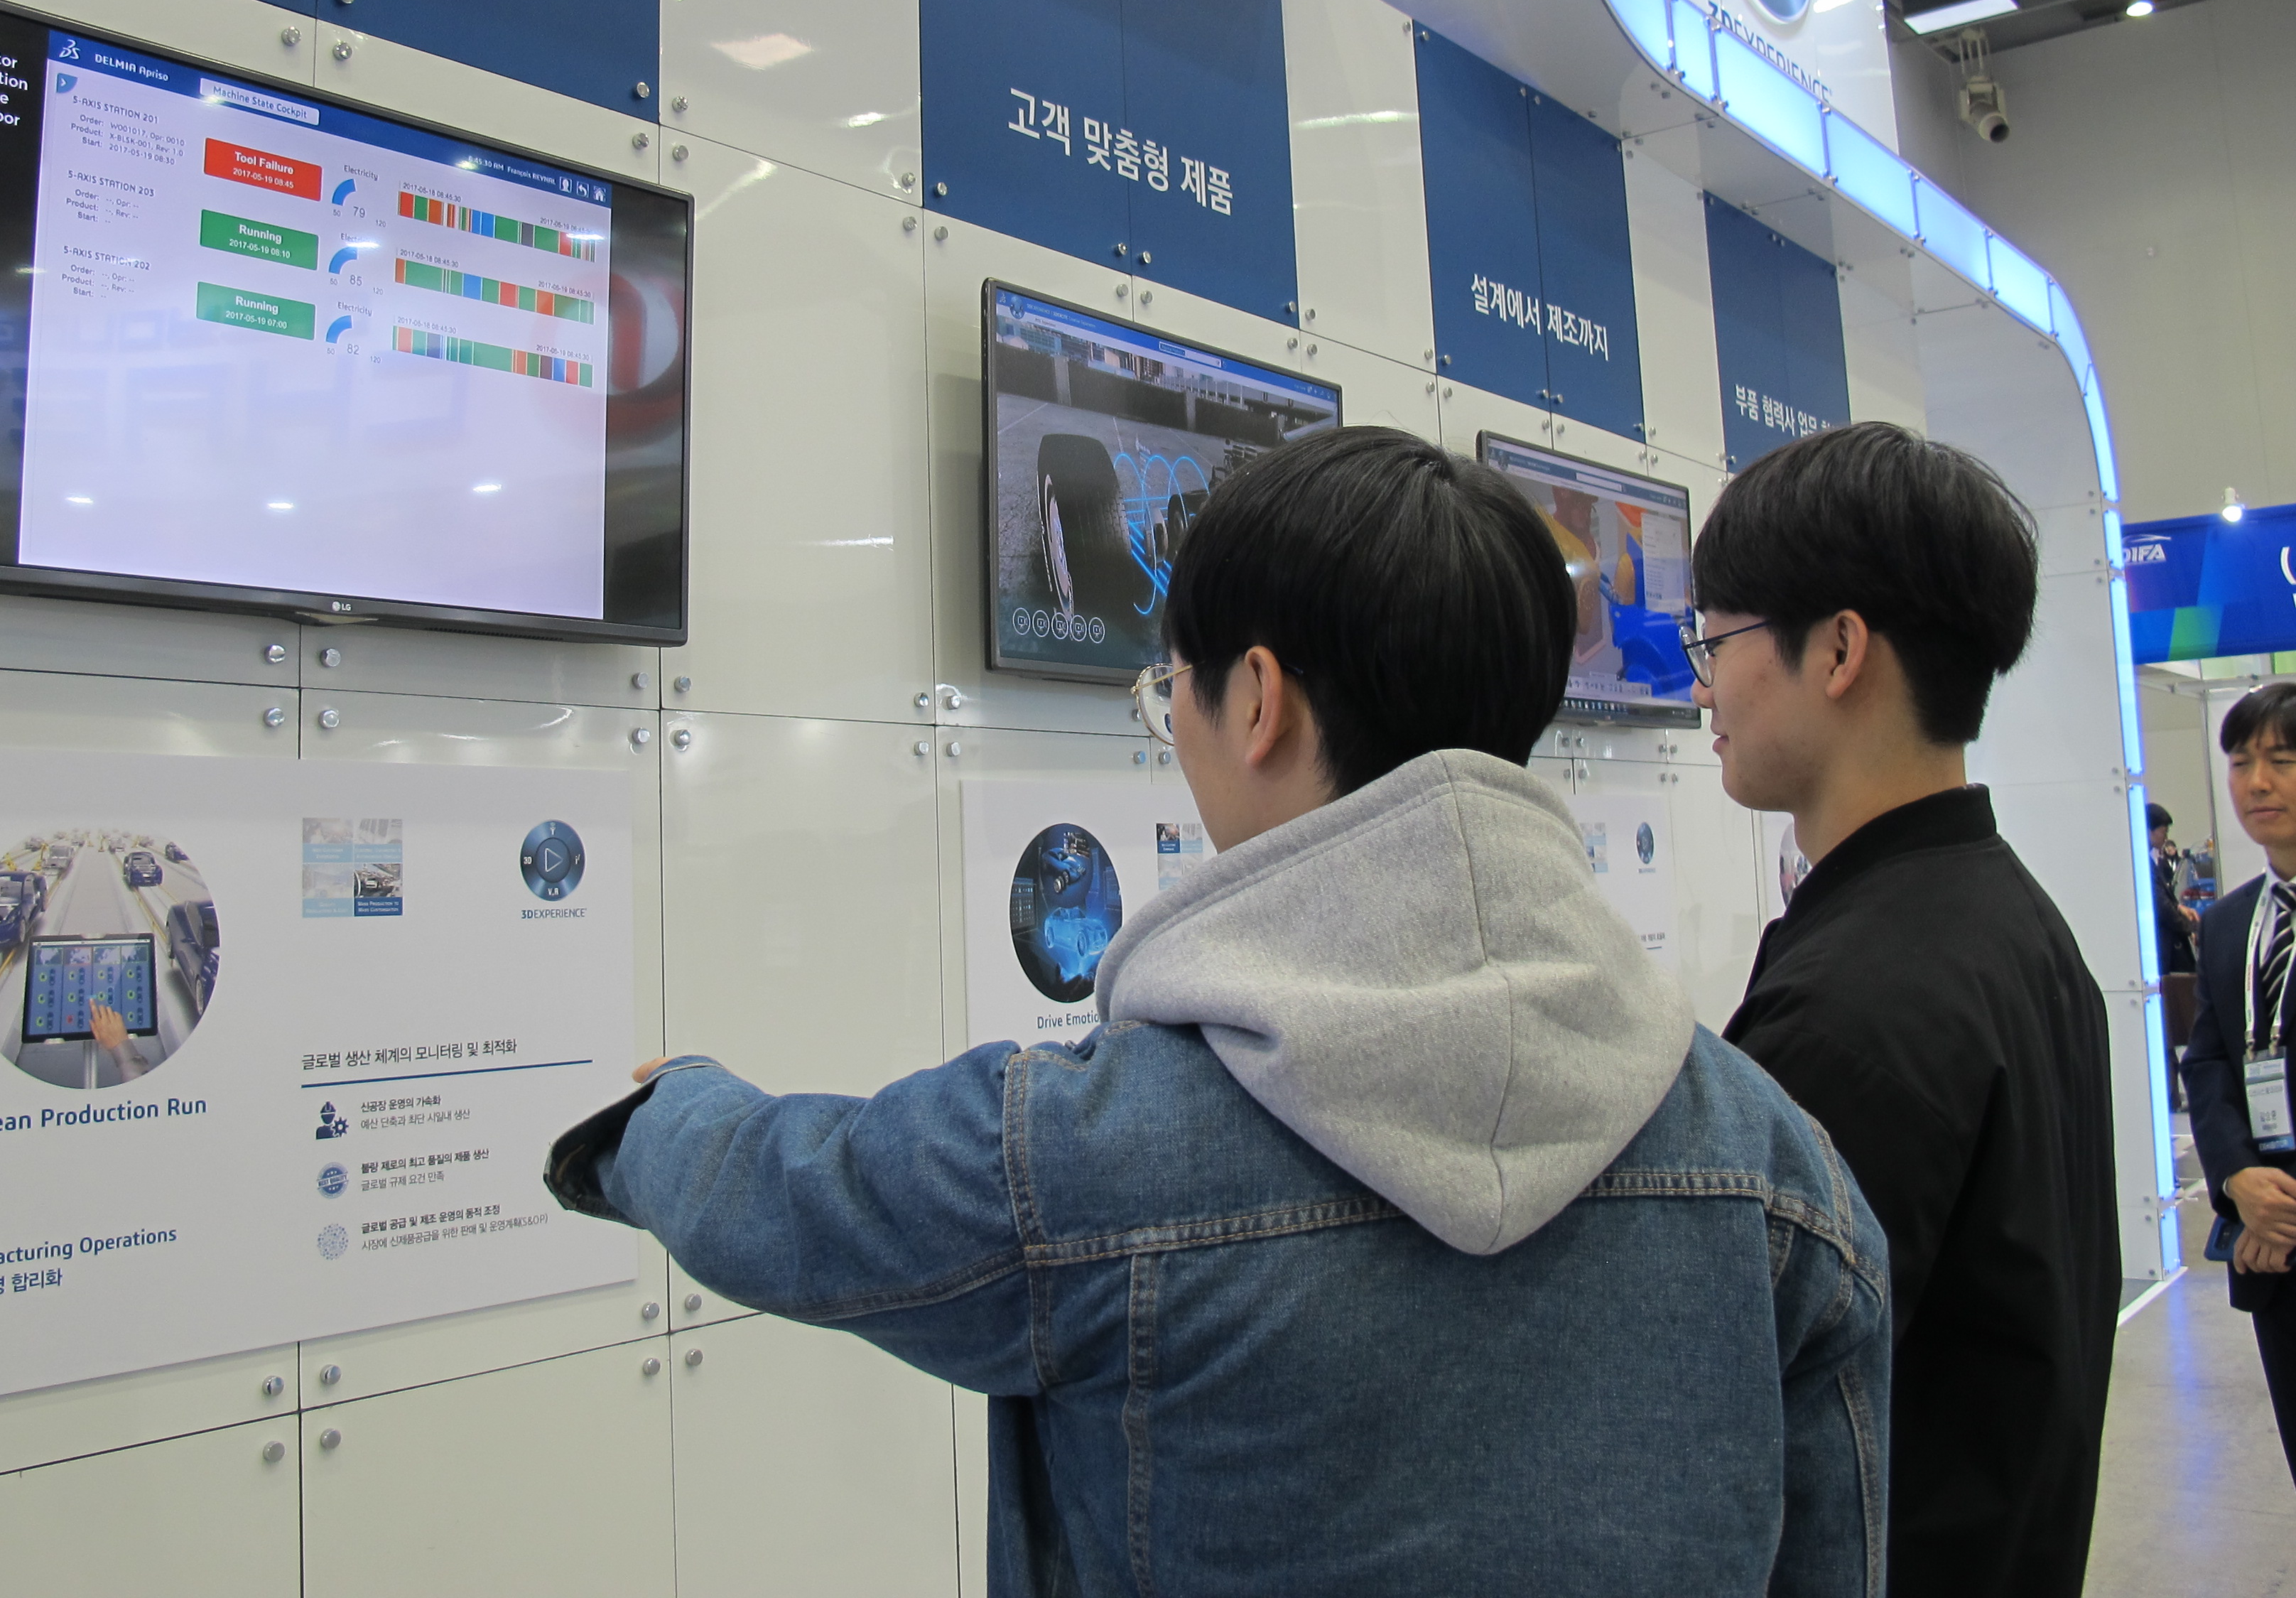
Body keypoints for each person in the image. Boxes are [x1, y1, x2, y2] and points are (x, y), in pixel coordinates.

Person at [545, 427, 1891, 1595]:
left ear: (1257, 701)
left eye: (1168, 692)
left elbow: (795, 1196)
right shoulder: (1782, 1172)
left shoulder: (1082, 1155)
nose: (1175, 729)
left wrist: (662, 1116)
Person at [1689, 420, 2118, 1598]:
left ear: (1837, 649)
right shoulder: (2012, 923)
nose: (1702, 685)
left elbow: (1736, 1420)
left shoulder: (1855, 1008)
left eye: (1715, 640)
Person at [2182, 681, 2296, 1476]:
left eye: (2283, 761)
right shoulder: (2230, 922)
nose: (2257, 782)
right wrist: (2238, 1179)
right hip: (2271, 1256)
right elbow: (2210, 1060)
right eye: (2241, 762)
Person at [2147, 802, 2200, 974]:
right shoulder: (2142, 864)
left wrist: (2179, 907)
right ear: (2149, 831)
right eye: (2164, 831)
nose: (2166, 837)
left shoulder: (2148, 861)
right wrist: (2188, 929)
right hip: (2165, 949)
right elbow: (2161, 905)